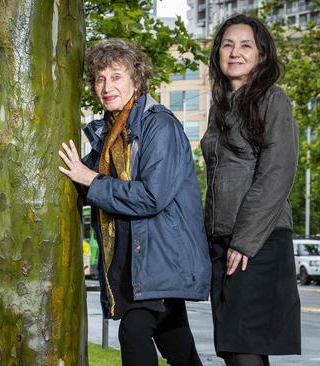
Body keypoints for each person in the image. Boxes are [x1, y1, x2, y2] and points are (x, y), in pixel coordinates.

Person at [58, 38, 210, 366]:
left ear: (136, 80)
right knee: (176, 341)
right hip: (138, 260)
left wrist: (90, 179)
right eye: (99, 78)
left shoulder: (159, 125)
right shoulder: (112, 133)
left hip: (163, 257)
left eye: (116, 76)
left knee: (135, 330)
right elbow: (85, 179)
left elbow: (151, 197)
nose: (106, 86)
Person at [201, 14, 301, 366]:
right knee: (233, 347)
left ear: (261, 54)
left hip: (257, 242)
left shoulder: (273, 101)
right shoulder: (220, 106)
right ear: (217, 54)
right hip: (221, 240)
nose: (235, 52)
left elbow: (277, 173)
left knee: (244, 348)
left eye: (246, 45)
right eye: (227, 44)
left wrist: (244, 241)